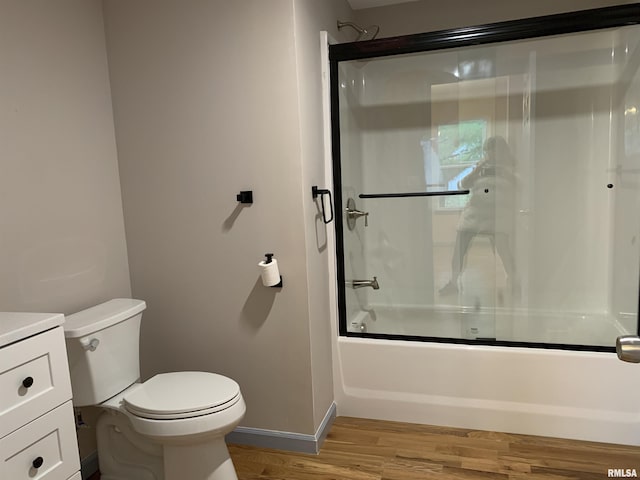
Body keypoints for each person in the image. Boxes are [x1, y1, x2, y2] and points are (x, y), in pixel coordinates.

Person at [439, 136, 517, 295]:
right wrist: (477, 170)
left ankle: (515, 282)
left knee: (505, 250)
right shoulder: (481, 167)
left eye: (494, 149)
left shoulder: (511, 167)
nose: (491, 153)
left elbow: (518, 187)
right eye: (488, 150)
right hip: (473, 214)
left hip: (497, 216)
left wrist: (504, 173)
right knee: (459, 249)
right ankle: (453, 283)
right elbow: (463, 184)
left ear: (502, 150)